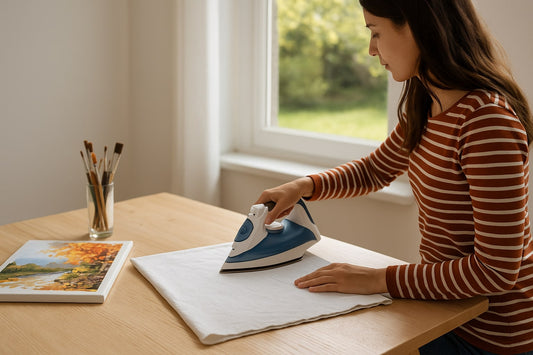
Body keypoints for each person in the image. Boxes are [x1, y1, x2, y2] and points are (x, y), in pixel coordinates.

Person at [255, 0, 533, 354]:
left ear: (418, 28)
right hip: (442, 309)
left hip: (492, 335)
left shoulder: (486, 122)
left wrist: (376, 279)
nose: (371, 50)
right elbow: (375, 170)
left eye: (375, 32)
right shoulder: (427, 101)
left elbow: (495, 271)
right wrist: (303, 186)